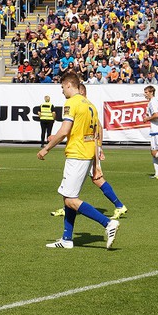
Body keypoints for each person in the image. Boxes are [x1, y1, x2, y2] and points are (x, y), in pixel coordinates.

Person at [38, 72, 120, 249]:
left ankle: (108, 223)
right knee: (68, 196)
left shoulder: (72, 102)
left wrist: (46, 148)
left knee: (70, 200)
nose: (62, 92)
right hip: (88, 153)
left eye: (62, 88)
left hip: (77, 154)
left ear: (69, 85)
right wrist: (97, 162)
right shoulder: (90, 105)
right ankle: (67, 239)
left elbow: (64, 131)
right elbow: (97, 135)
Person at [50, 83, 128, 220]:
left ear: (81, 91)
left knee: (97, 179)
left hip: (85, 149)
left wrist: (99, 148)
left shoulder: (83, 106)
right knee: (93, 179)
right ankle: (68, 207)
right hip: (88, 148)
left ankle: (119, 206)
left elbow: (98, 128)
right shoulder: (88, 106)